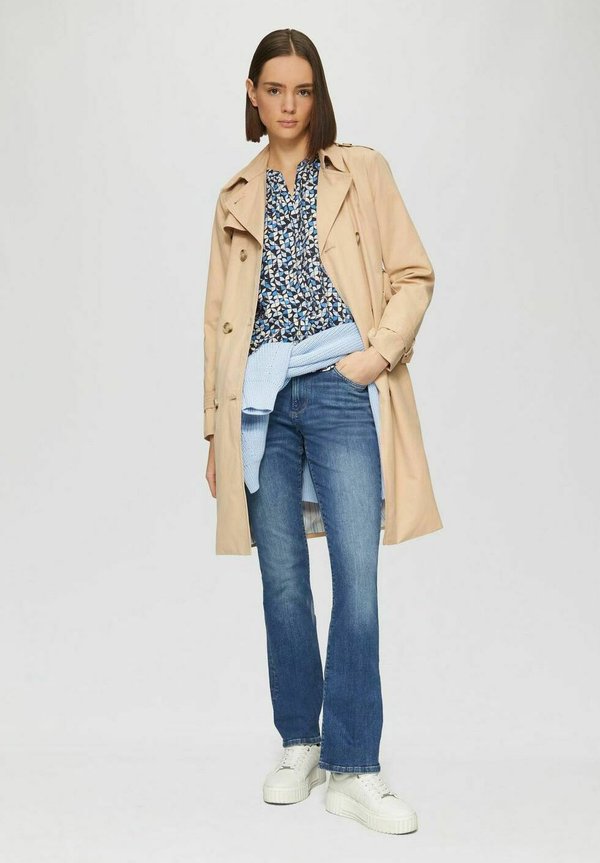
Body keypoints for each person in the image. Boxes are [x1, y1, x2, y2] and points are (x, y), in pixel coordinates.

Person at [203, 28, 442, 836]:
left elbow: (413, 274)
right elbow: (218, 320)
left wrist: (375, 356)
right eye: (275, 90)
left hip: (341, 387)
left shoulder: (359, 170)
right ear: (252, 93)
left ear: (318, 94)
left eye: (302, 90)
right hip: (260, 401)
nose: (289, 105)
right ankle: (300, 744)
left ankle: (356, 765)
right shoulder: (235, 195)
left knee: (357, 580)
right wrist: (214, 431)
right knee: (282, 583)